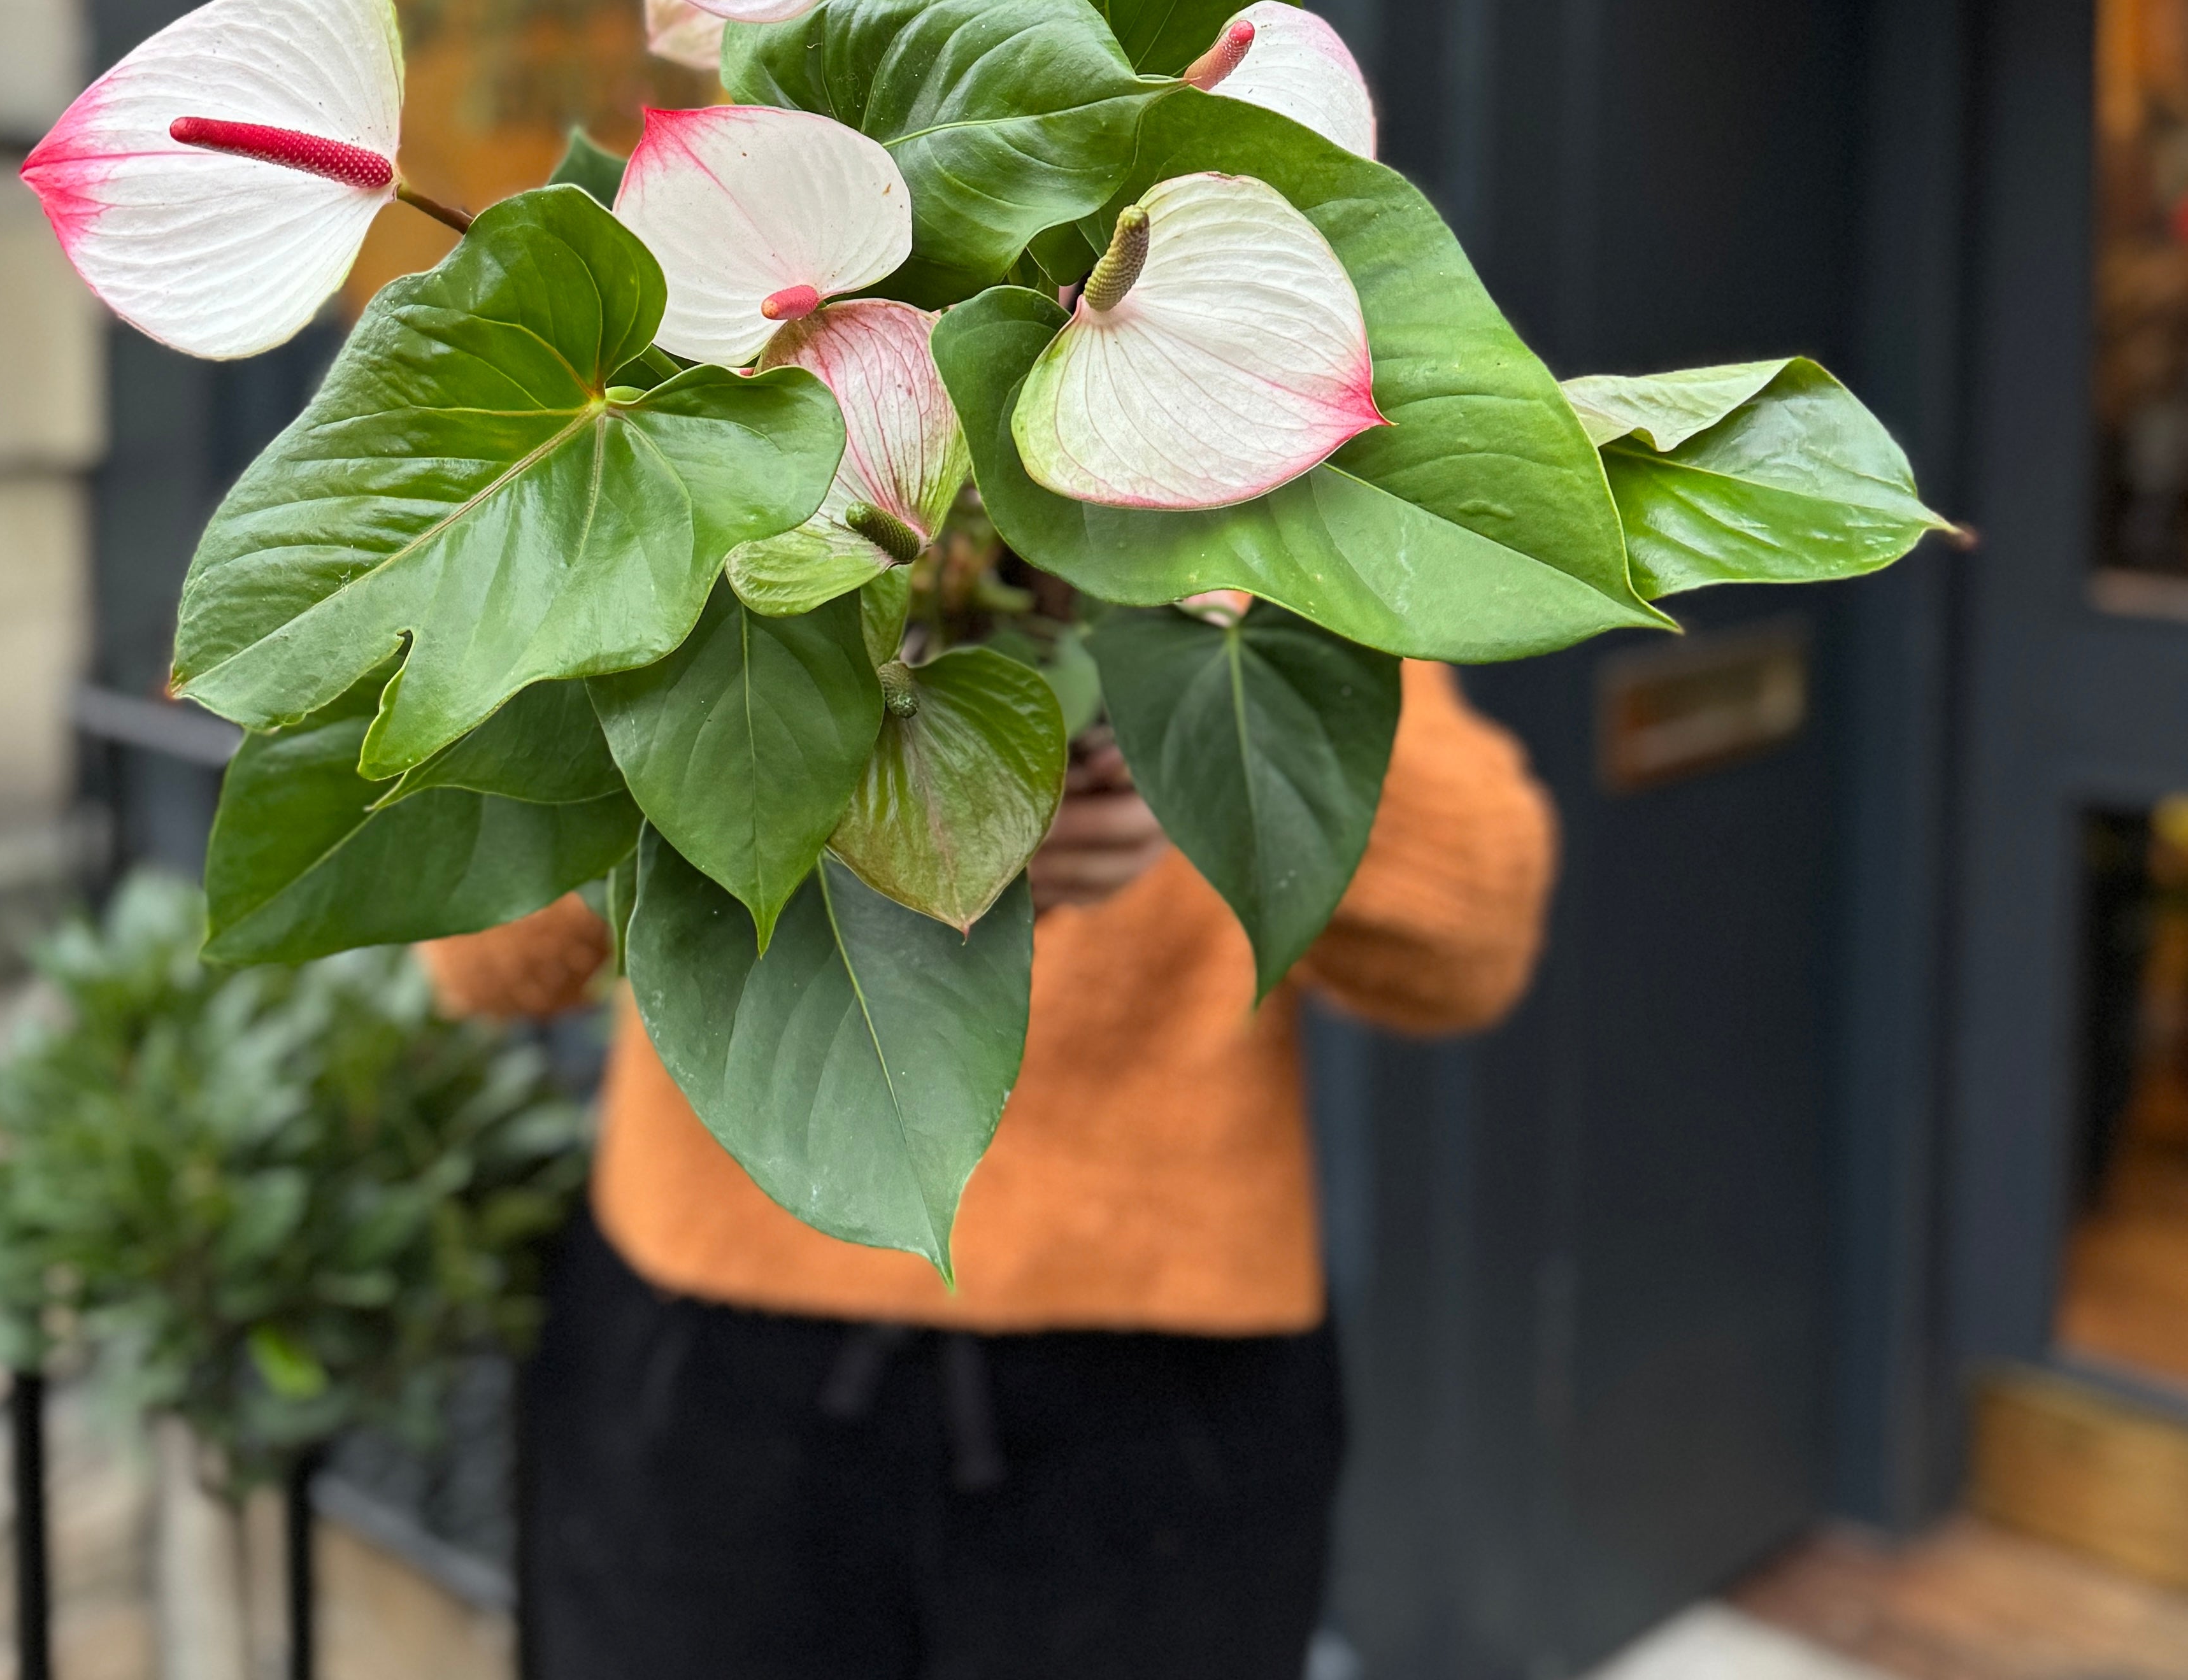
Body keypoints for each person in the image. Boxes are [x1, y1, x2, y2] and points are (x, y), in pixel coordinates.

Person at [421, 658, 1556, 1680]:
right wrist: (808, 764)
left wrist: (1202, 722)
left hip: (1162, 1397)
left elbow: (1472, 934)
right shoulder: (720, 466)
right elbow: (482, 953)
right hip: (711, 1375)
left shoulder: (1258, 491)